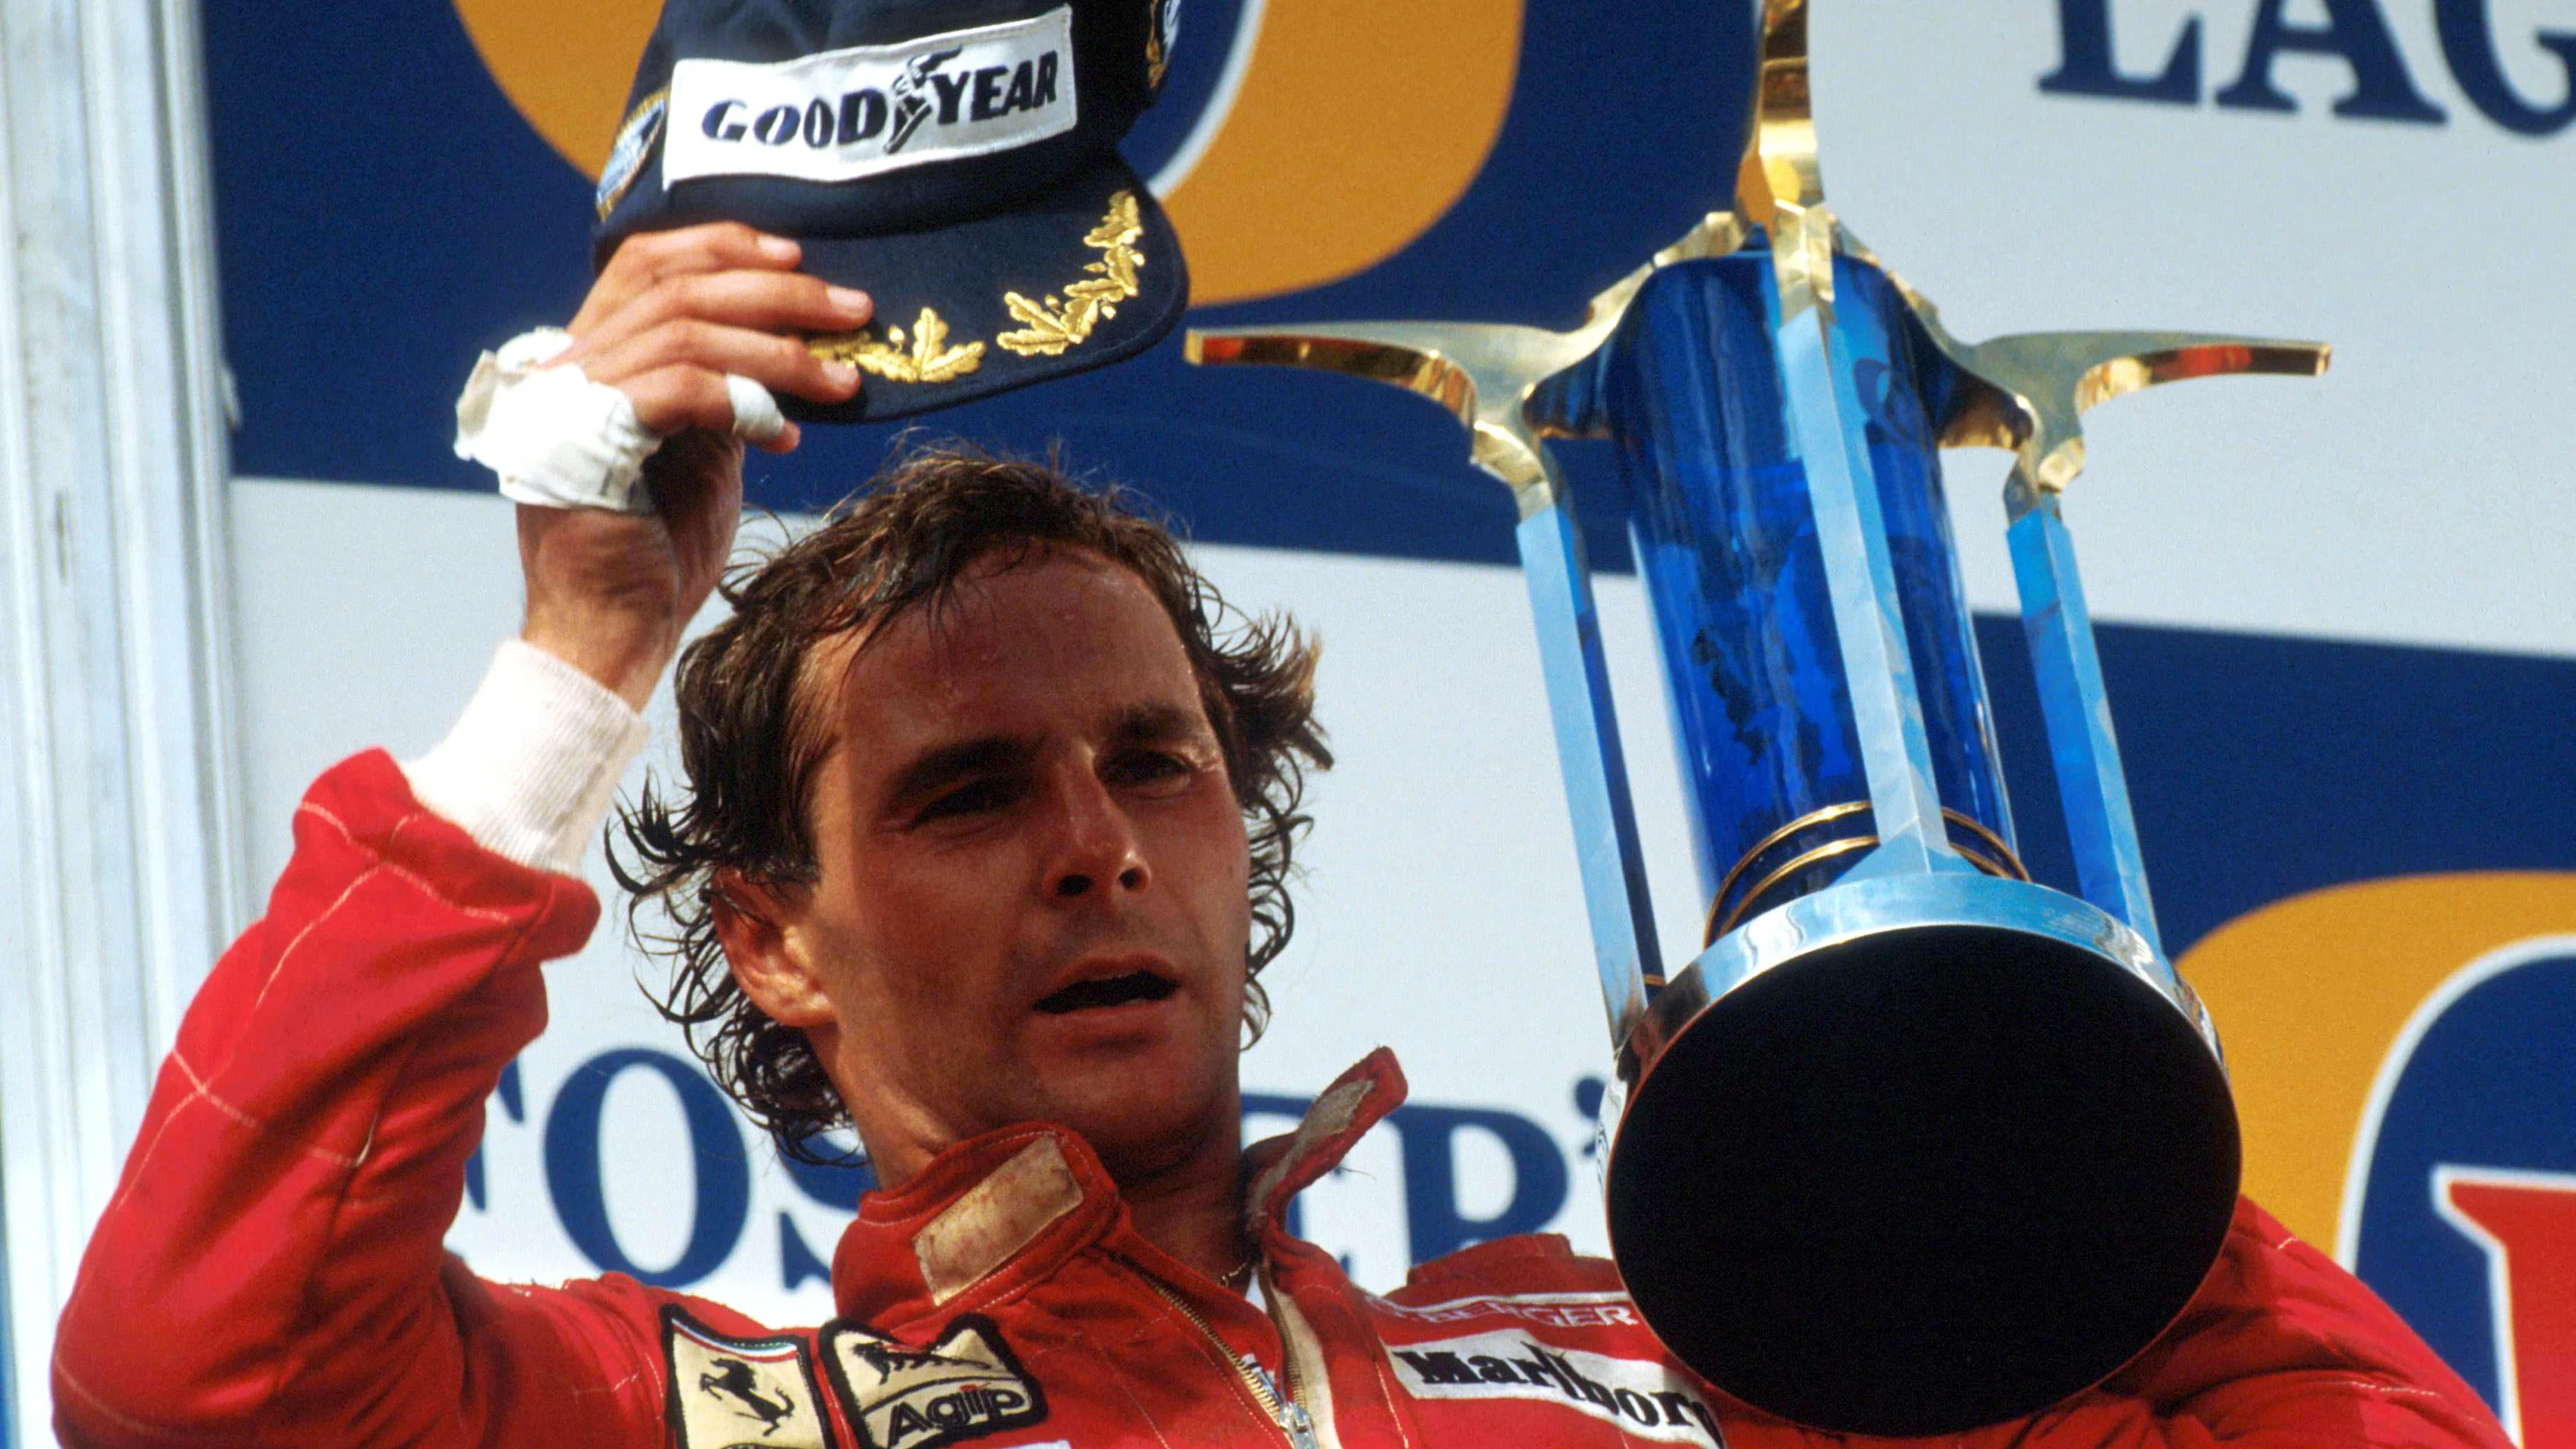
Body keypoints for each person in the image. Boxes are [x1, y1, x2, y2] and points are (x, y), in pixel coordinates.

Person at [53, 224, 2514, 1449]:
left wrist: (2010, 1086)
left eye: (1153, 763)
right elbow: (195, 1371)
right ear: (773, 942)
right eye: (966, 792)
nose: (1099, 845)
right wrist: (583, 653)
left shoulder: (1647, 1336)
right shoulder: (709, 1409)